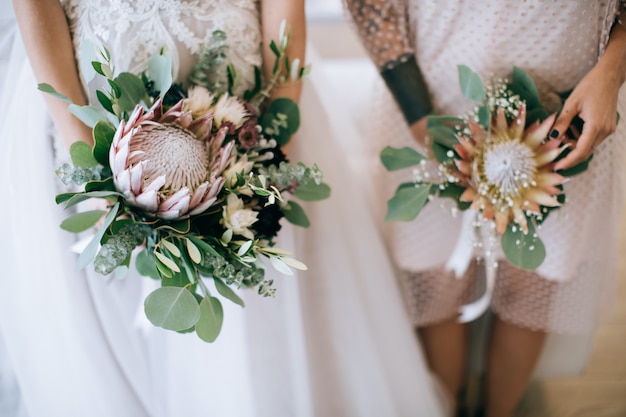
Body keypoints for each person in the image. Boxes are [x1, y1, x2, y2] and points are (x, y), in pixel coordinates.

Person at [0, 0, 448, 415]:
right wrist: (85, 150)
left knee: (262, 324)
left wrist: (274, 145)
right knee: (114, 328)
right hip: (94, 92)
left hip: (249, 102)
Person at [344, 1, 626, 416]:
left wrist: (613, 71)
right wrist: (424, 123)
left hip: (566, 111)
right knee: (438, 279)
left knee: (534, 281)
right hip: (433, 98)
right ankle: (447, 408)